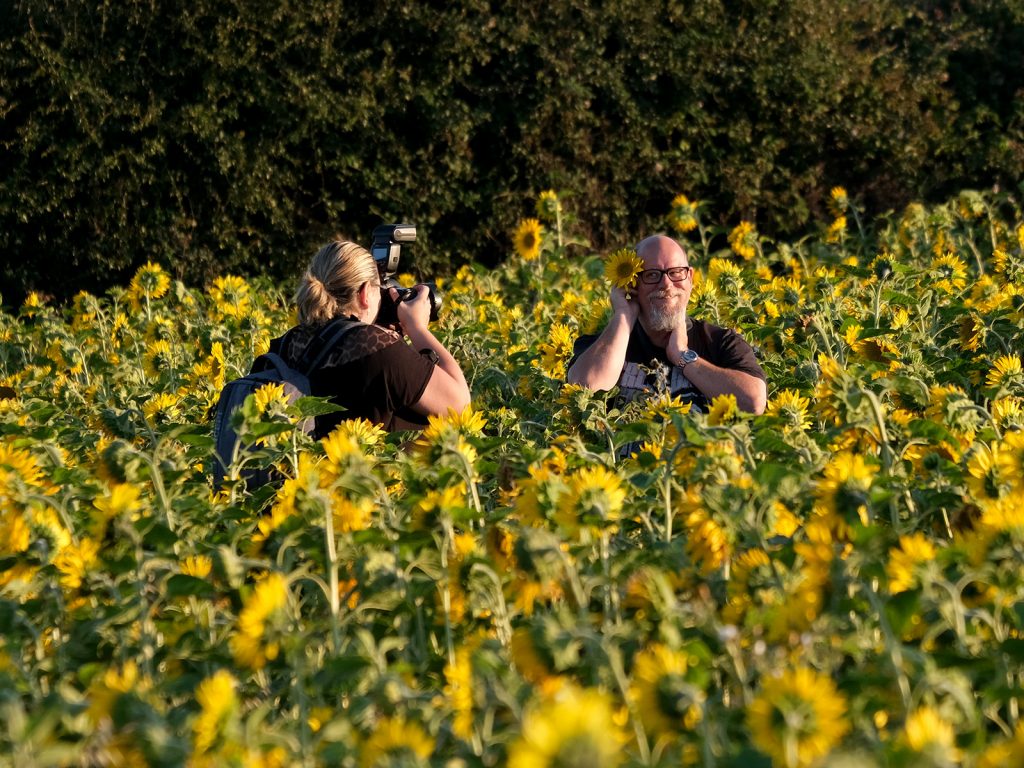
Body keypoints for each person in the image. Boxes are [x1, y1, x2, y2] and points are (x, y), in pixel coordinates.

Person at [269, 239, 471, 436]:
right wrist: (416, 327)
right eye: (379, 290)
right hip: (364, 469)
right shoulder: (376, 349)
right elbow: (458, 404)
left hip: (299, 467)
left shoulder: (287, 342)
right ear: (366, 293)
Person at [566, 234, 766, 414]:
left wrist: (683, 356)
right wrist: (623, 315)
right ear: (632, 284)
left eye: (676, 272)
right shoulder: (602, 344)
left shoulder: (720, 342)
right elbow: (584, 390)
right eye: (652, 275)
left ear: (690, 278)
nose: (667, 284)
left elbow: (754, 402)